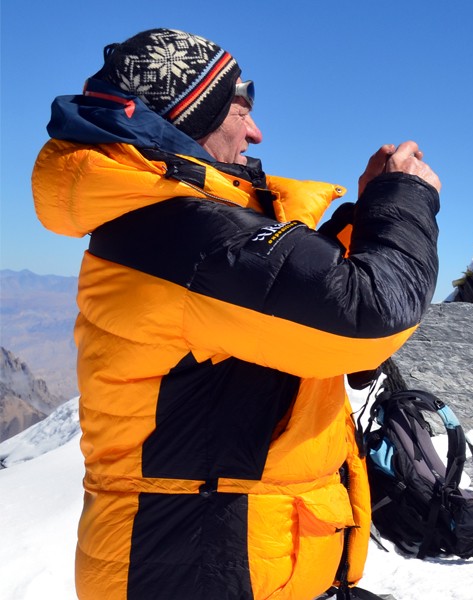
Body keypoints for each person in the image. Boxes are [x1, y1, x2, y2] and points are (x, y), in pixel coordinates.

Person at [32, 29, 442, 599]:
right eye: (238, 110)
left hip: (214, 560)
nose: (255, 132)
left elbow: (288, 304)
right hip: (198, 570)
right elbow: (368, 316)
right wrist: (405, 202)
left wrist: (366, 217)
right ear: (187, 118)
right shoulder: (186, 237)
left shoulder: (167, 227)